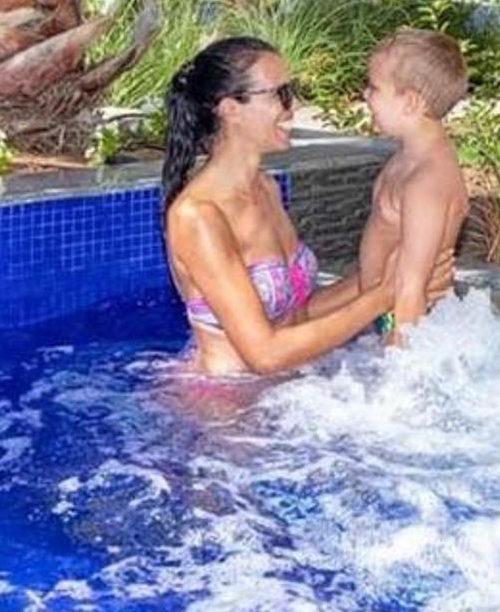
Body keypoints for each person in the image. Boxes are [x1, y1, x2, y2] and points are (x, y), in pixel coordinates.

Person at [163, 36, 414, 378]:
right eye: (279, 94)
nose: (292, 106)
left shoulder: (265, 187)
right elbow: (264, 355)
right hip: (225, 403)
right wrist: (381, 298)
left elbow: (298, 313)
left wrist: (386, 277)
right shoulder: (198, 216)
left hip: (283, 389)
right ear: (230, 108)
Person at [355, 29, 470, 343]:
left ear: (410, 102)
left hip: (403, 322)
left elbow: (411, 288)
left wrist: (394, 362)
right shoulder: (409, 156)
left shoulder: (427, 182)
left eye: (374, 87)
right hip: (381, 314)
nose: (365, 95)